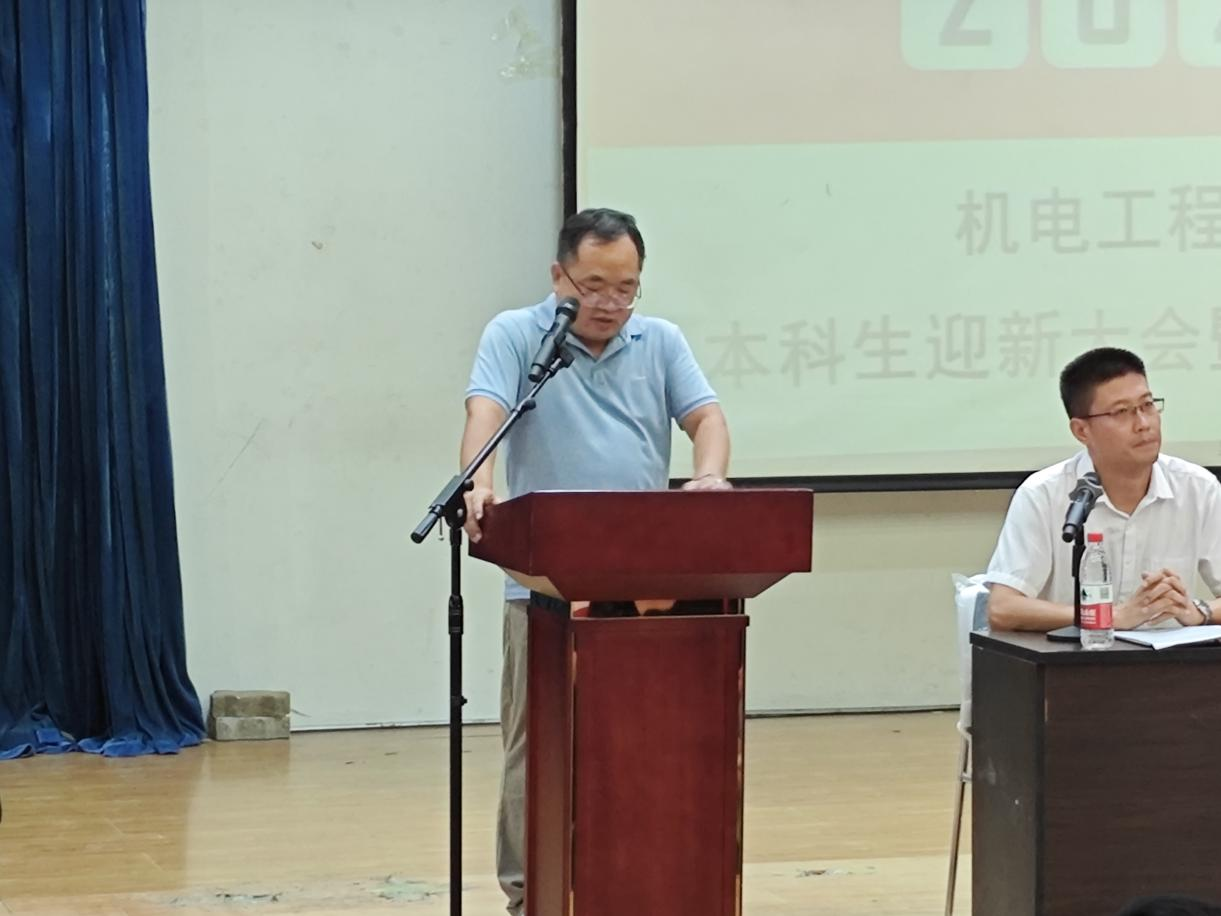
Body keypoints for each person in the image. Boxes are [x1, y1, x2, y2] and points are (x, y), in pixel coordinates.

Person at [459, 207, 731, 916]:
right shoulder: (517, 335)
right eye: (594, 286)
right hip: (543, 586)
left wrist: (708, 476)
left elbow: (705, 417)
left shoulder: (659, 340)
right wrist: (479, 484)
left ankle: (631, 884)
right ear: (559, 276)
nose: (611, 303)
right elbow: (486, 412)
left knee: (636, 746)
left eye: (626, 288)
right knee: (535, 749)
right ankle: (529, 896)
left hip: (641, 590)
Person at [986, 347, 1221, 632]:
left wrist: (1200, 611)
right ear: (1081, 431)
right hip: (1074, 658)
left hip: (1170, 658)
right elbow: (1003, 608)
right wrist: (1106, 616)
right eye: (1122, 412)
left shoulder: (1198, 489)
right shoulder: (1044, 494)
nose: (1143, 424)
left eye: (1147, 405)